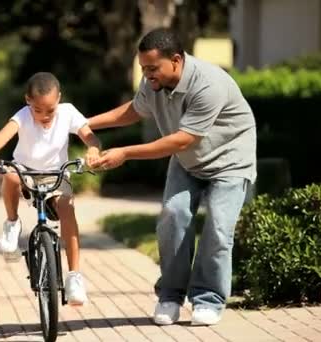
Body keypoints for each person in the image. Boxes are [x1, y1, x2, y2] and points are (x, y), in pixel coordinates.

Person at [88, 28, 256, 326]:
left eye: (152, 68)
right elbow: (135, 110)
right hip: (189, 161)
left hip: (229, 161)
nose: (146, 74)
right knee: (173, 215)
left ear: (176, 61)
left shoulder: (208, 84)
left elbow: (182, 140)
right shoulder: (154, 81)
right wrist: (86, 124)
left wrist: (125, 152)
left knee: (218, 226)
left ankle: (208, 298)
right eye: (143, 68)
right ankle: (170, 296)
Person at [0, 72, 102, 305]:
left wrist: (93, 150)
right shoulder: (23, 116)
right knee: (10, 174)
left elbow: (91, 137)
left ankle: (75, 277)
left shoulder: (68, 112)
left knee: (67, 208)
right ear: (28, 100)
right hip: (25, 172)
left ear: (59, 100)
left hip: (55, 174)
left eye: (50, 110)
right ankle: (12, 224)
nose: (44, 116)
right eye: (38, 110)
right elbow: (1, 137)